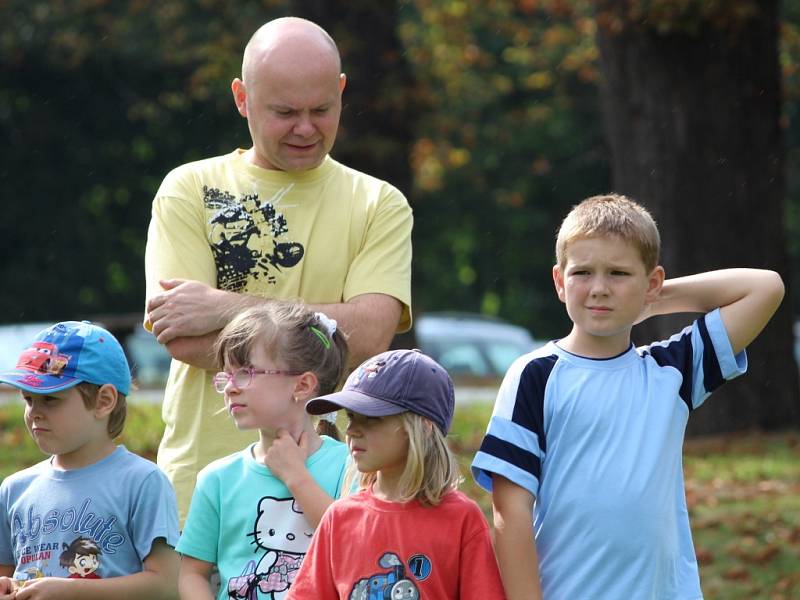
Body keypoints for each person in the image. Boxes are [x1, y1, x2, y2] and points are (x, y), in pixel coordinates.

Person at [143, 15, 413, 523]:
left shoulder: (379, 202)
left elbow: (373, 333)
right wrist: (327, 334)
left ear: (341, 91)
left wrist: (226, 306)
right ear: (242, 98)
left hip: (333, 484)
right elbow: (183, 338)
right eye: (285, 112)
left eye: (322, 109)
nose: (306, 128)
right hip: (202, 487)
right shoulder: (189, 189)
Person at [470, 194, 785, 600]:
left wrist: (653, 302)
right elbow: (509, 513)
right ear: (559, 282)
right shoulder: (535, 375)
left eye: (619, 273)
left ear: (652, 281)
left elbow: (764, 288)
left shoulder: (672, 371)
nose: (600, 288)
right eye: (582, 272)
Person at [288, 349, 507, 599]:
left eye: (371, 418)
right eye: (351, 417)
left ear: (422, 428)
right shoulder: (339, 518)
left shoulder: (461, 519)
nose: (351, 430)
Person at [177, 303, 350, 600]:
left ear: (303, 385)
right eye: (227, 376)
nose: (230, 387)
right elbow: (192, 573)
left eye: (245, 373)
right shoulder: (217, 479)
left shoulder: (348, 467)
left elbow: (351, 546)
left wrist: (297, 477)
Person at [0, 321, 180, 600]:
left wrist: (74, 592)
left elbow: (167, 585)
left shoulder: (142, 482)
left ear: (104, 401)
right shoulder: (14, 489)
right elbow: (7, 576)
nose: (34, 412)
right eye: (28, 399)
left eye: (50, 400)